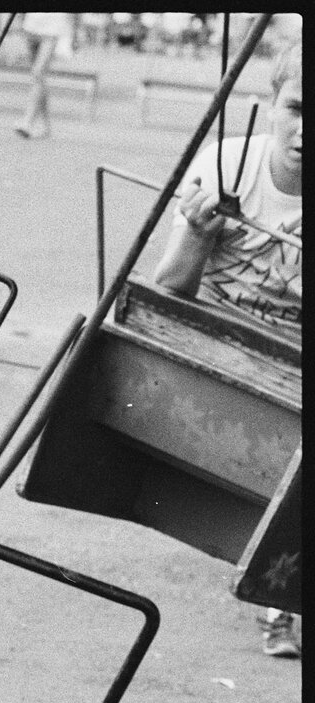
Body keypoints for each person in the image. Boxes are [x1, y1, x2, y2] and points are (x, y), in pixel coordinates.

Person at [154, 39, 302, 659]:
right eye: (297, 106)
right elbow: (169, 287)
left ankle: (280, 594)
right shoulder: (225, 166)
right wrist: (195, 232)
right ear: (269, 104)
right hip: (213, 338)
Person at [13, 13, 76, 141]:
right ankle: (46, 126)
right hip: (32, 26)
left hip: (53, 27)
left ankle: (27, 122)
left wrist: (74, 32)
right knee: (38, 78)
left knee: (38, 72)